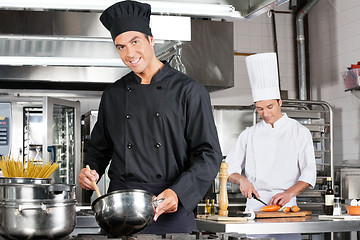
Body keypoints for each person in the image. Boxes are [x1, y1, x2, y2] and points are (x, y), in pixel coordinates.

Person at [78, 0, 222, 235]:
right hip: (120, 212)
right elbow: (99, 149)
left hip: (169, 208)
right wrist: (90, 170)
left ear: (151, 40)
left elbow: (209, 154)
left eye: (135, 42)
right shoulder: (113, 94)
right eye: (121, 47)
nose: (129, 53)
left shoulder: (188, 91)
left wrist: (179, 193)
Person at [226, 53, 316, 240]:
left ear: (280, 102)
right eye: (260, 109)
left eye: (270, 107)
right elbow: (229, 168)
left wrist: (289, 193)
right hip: (255, 207)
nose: (265, 113)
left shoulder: (300, 132)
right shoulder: (249, 134)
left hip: (287, 208)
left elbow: (308, 174)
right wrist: (242, 180)